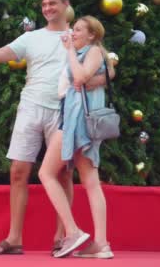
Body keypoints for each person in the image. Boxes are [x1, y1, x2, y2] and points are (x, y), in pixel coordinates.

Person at [0, 0, 111, 255]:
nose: (47, 8)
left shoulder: (76, 36)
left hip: (64, 111)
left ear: (66, 5)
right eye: (44, 4)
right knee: (18, 171)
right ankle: (14, 239)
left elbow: (106, 67)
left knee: (63, 174)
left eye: (53, 3)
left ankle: (63, 237)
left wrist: (93, 81)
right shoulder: (31, 38)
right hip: (30, 107)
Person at [38, 16, 114, 259]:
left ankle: (72, 231)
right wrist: (71, 51)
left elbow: (80, 77)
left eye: (79, 29)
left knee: (46, 173)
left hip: (77, 122)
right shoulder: (89, 52)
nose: (74, 32)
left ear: (92, 35)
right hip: (75, 119)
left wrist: (70, 50)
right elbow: (96, 75)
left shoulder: (91, 51)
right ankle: (101, 243)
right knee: (91, 180)